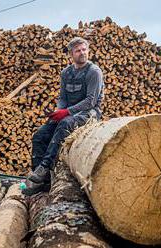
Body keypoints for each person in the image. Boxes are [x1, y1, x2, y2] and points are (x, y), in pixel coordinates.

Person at [23, 37, 104, 195]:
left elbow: (91, 101)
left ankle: (44, 168)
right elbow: (63, 98)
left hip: (90, 113)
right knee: (40, 135)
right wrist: (58, 111)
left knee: (65, 124)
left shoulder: (94, 72)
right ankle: (40, 182)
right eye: (78, 51)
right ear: (71, 55)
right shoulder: (66, 73)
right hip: (70, 112)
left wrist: (66, 112)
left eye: (84, 49)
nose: (82, 53)